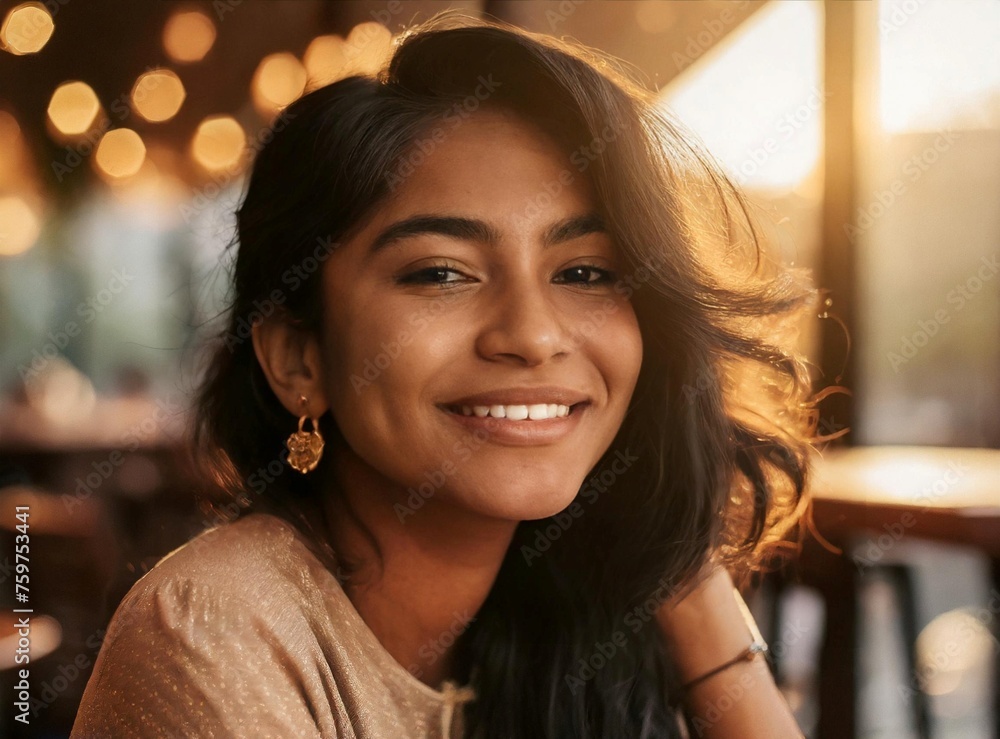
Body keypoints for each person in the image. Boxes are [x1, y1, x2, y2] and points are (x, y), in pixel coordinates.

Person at [72, 11, 818, 738]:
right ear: (301, 357)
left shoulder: (574, 610)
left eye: (586, 270)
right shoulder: (215, 630)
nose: (531, 333)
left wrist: (686, 584)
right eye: (441, 273)